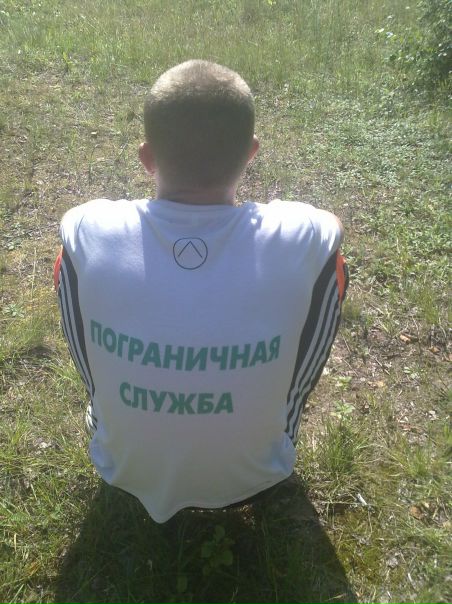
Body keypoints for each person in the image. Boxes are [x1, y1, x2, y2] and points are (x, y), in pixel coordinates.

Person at [54, 60, 348, 524]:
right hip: (258, 475)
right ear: (251, 153)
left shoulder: (93, 228)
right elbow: (332, 227)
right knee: (333, 265)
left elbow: (71, 224)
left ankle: (106, 412)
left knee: (67, 259)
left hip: (120, 468)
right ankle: (275, 429)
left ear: (146, 158)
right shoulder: (295, 235)